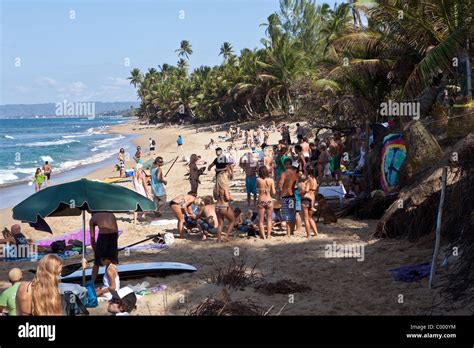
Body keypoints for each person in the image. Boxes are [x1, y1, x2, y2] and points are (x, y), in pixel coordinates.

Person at [89, 212, 119, 283]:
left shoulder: (93, 219)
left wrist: (95, 251)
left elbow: (92, 238)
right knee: (112, 260)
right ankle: (111, 281)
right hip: (114, 236)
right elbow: (117, 233)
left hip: (103, 236)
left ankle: (92, 282)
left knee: (96, 263)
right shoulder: (111, 214)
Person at [278, 158, 299, 237]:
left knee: (287, 215)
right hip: (292, 195)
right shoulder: (294, 174)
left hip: (285, 196)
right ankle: (292, 232)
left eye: (286, 164)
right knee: (292, 214)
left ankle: (288, 233)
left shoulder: (283, 174)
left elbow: (280, 185)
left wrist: (279, 195)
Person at [214, 171, 235, 242]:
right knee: (232, 220)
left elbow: (215, 198)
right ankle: (226, 236)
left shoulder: (215, 187)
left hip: (217, 207)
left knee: (220, 224)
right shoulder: (225, 187)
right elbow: (227, 198)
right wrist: (231, 197)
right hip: (224, 206)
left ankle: (219, 239)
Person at [256, 166, 276, 239]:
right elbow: (273, 192)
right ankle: (268, 235)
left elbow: (257, 188)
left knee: (261, 220)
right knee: (269, 219)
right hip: (269, 200)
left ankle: (263, 236)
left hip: (261, 200)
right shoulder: (271, 180)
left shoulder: (258, 179)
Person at [299, 170, 319, 238]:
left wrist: (300, 193)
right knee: (310, 218)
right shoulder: (315, 179)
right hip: (313, 198)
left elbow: (306, 190)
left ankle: (308, 235)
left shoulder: (309, 179)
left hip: (306, 198)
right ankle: (316, 233)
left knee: (306, 219)